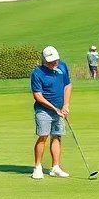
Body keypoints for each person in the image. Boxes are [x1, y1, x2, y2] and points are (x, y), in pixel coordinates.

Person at [30, 46, 71, 179]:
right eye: (50, 61)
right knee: (43, 136)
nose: (54, 63)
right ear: (44, 60)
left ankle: (55, 167)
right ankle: (37, 167)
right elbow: (38, 96)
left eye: (55, 60)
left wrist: (65, 105)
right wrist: (55, 109)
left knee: (57, 136)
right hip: (43, 110)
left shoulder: (62, 67)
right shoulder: (37, 73)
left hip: (59, 109)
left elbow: (67, 86)